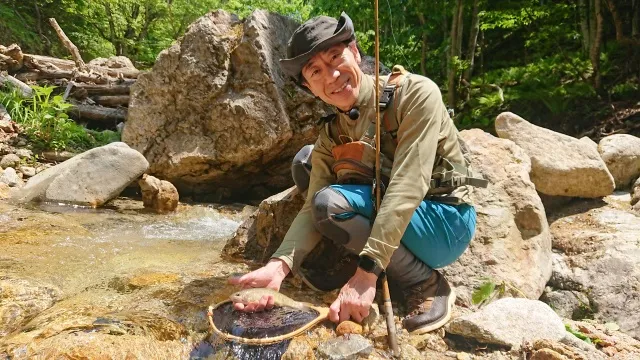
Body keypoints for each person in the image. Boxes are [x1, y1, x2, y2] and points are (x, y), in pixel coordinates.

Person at [228, 12, 484, 334]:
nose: (332, 75)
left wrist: (365, 276)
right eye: (315, 71)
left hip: (445, 222)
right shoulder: (332, 132)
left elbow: (408, 186)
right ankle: (372, 262)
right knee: (306, 169)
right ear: (308, 87)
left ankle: (427, 283)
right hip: (395, 213)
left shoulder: (415, 94)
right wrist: (279, 266)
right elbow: (310, 206)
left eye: (336, 56)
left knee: (331, 203)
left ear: (356, 53)